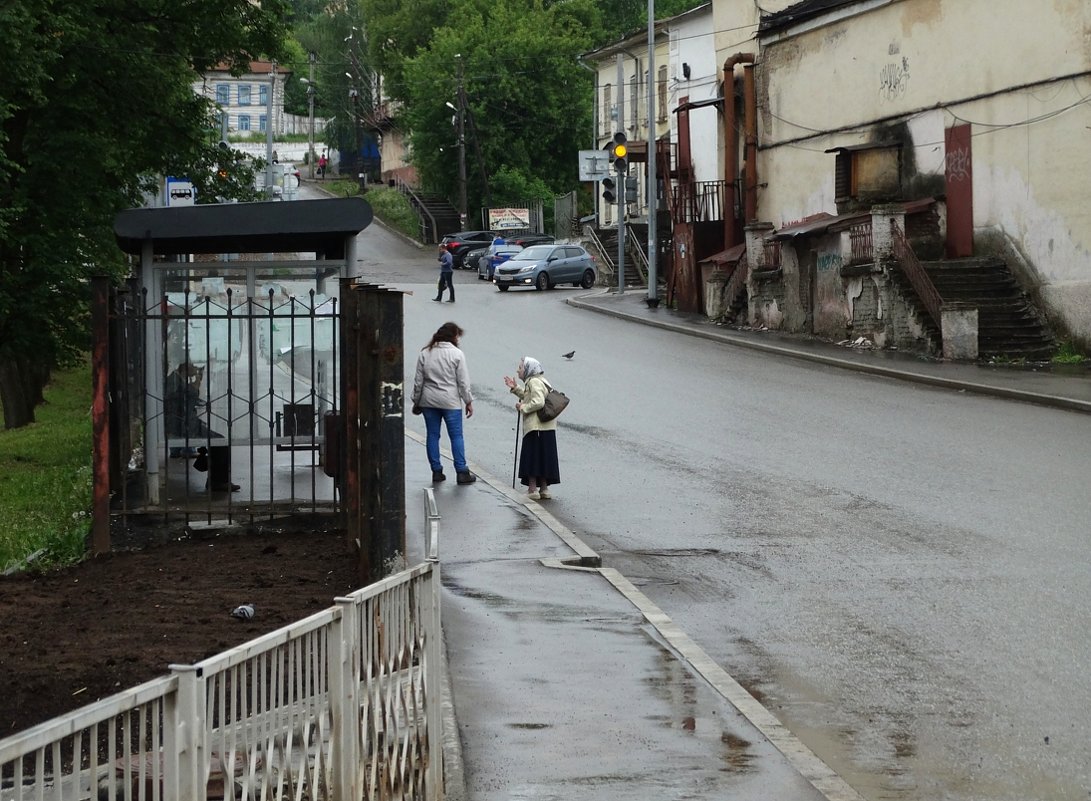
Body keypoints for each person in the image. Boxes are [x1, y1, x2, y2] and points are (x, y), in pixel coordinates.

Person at [411, 322, 476, 484]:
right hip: (450, 402)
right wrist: (468, 401)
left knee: (432, 435)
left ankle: (436, 471)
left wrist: (416, 400)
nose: (459, 340)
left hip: (428, 402)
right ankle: (461, 471)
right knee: (456, 436)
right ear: (453, 337)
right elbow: (463, 382)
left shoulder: (425, 353)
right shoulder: (457, 354)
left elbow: (418, 382)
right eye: (457, 336)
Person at [164, 362, 239, 492]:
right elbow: (184, 402)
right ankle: (218, 481)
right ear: (185, 366)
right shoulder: (174, 381)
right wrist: (196, 384)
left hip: (184, 423)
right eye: (193, 364)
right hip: (182, 425)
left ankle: (216, 479)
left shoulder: (176, 380)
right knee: (220, 441)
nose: (196, 367)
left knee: (218, 439)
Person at [504, 356, 560, 500]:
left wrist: (523, 407)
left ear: (529, 369)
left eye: (521, 367)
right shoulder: (540, 380)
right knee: (544, 457)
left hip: (536, 427)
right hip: (547, 428)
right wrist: (515, 389)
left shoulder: (534, 382)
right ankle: (544, 489)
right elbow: (529, 396)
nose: (518, 370)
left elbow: (538, 402)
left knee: (532, 457)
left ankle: (532, 490)